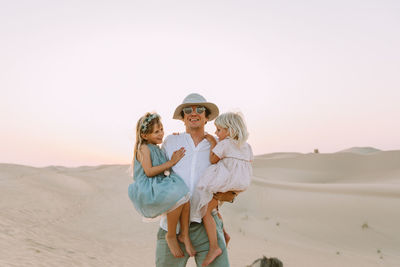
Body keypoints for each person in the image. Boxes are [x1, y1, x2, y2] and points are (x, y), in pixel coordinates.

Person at [156, 93, 231, 267]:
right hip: (172, 227)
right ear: (183, 118)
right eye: (188, 110)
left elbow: (237, 173)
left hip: (207, 226)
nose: (193, 113)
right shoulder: (171, 141)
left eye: (200, 109)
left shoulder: (219, 144)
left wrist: (226, 197)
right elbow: (157, 174)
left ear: (207, 117)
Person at [128, 112, 196, 258]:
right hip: (149, 187)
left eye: (161, 130)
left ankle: (184, 234)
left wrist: (177, 139)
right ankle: (171, 235)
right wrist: (171, 162)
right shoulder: (144, 148)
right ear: (145, 135)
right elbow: (149, 171)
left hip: (160, 182)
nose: (161, 134)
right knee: (178, 197)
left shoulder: (156, 147)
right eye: (156, 132)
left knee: (186, 197)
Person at [195, 112, 253, 266]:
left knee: (205, 210)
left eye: (219, 130)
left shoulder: (225, 143)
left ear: (229, 130)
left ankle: (214, 247)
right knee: (214, 208)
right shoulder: (247, 146)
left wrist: (213, 142)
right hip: (241, 183)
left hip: (227, 181)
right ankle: (225, 234)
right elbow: (248, 162)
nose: (216, 133)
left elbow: (213, 159)